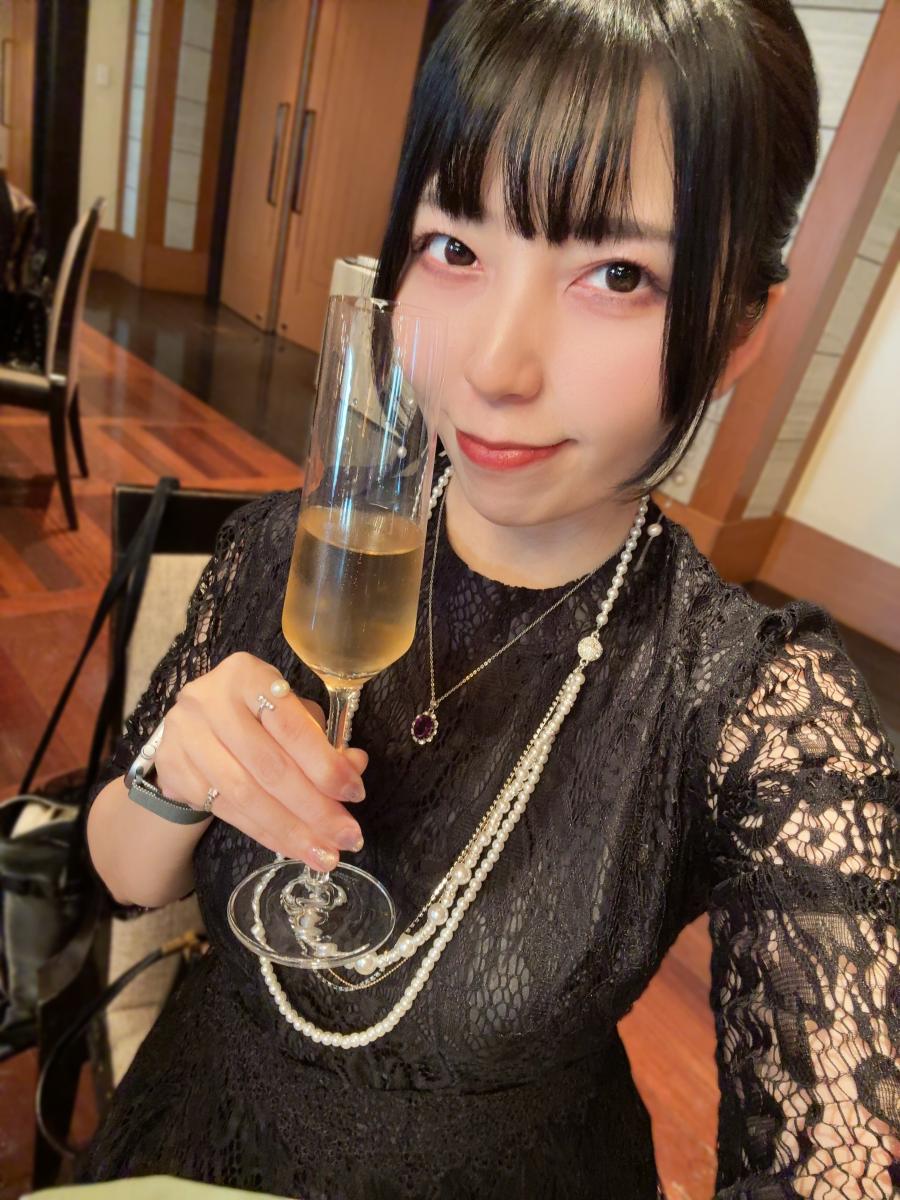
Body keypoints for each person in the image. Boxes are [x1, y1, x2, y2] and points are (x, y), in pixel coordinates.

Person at [80, 1, 898, 1196]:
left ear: (736, 330)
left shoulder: (757, 709)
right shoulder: (294, 550)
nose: (494, 368)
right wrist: (175, 769)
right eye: (455, 249)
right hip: (198, 1129)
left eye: (618, 274)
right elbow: (123, 871)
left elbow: (835, 1151)